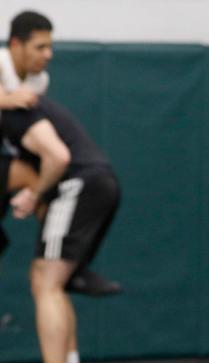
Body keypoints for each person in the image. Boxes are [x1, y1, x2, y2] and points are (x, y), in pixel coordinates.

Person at [1, 96, 123, 363]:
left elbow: (57, 157)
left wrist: (34, 196)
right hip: (96, 184)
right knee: (55, 281)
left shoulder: (15, 114)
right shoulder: (19, 108)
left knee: (46, 280)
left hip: (78, 186)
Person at [0, 10, 122, 298]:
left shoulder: (36, 81)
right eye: (40, 47)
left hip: (12, 161)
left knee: (43, 189)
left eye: (50, 47)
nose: (48, 55)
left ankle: (70, 262)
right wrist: (6, 99)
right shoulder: (1, 65)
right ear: (16, 45)